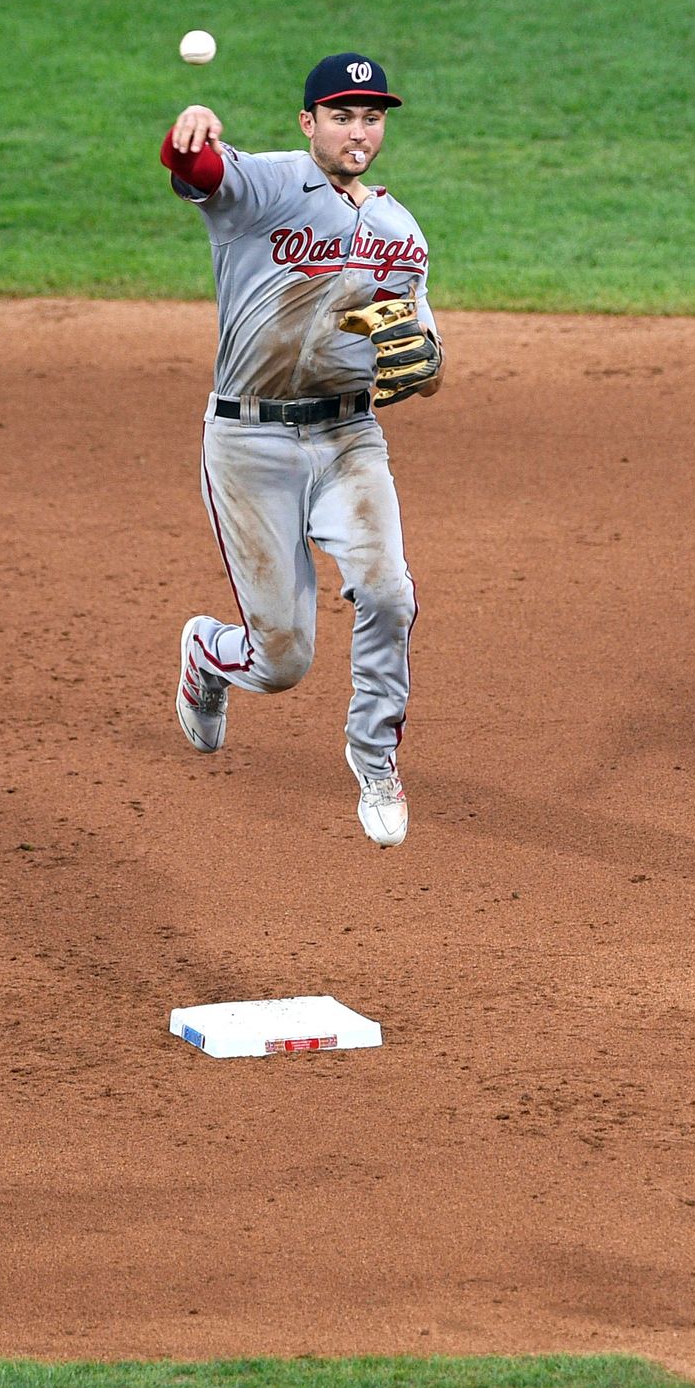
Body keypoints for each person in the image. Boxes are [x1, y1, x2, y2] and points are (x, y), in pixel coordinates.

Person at [162, 52, 443, 848]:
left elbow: (421, 358)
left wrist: (428, 367)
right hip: (250, 442)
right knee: (281, 661)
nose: (360, 130)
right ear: (308, 122)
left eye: (373, 116)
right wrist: (189, 138)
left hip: (350, 437)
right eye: (344, 115)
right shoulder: (268, 185)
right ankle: (210, 655)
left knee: (390, 592)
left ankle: (374, 755)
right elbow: (201, 172)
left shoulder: (399, 229)